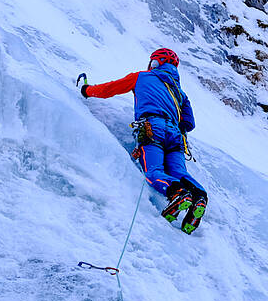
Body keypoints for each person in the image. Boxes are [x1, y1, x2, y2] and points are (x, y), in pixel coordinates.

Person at [80, 48, 208, 234]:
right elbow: (189, 123)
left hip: (152, 127)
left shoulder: (141, 77)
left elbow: (109, 89)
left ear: (155, 63)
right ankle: (199, 197)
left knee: (153, 171)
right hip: (176, 135)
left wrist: (87, 90)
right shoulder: (180, 92)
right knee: (178, 171)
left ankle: (178, 194)